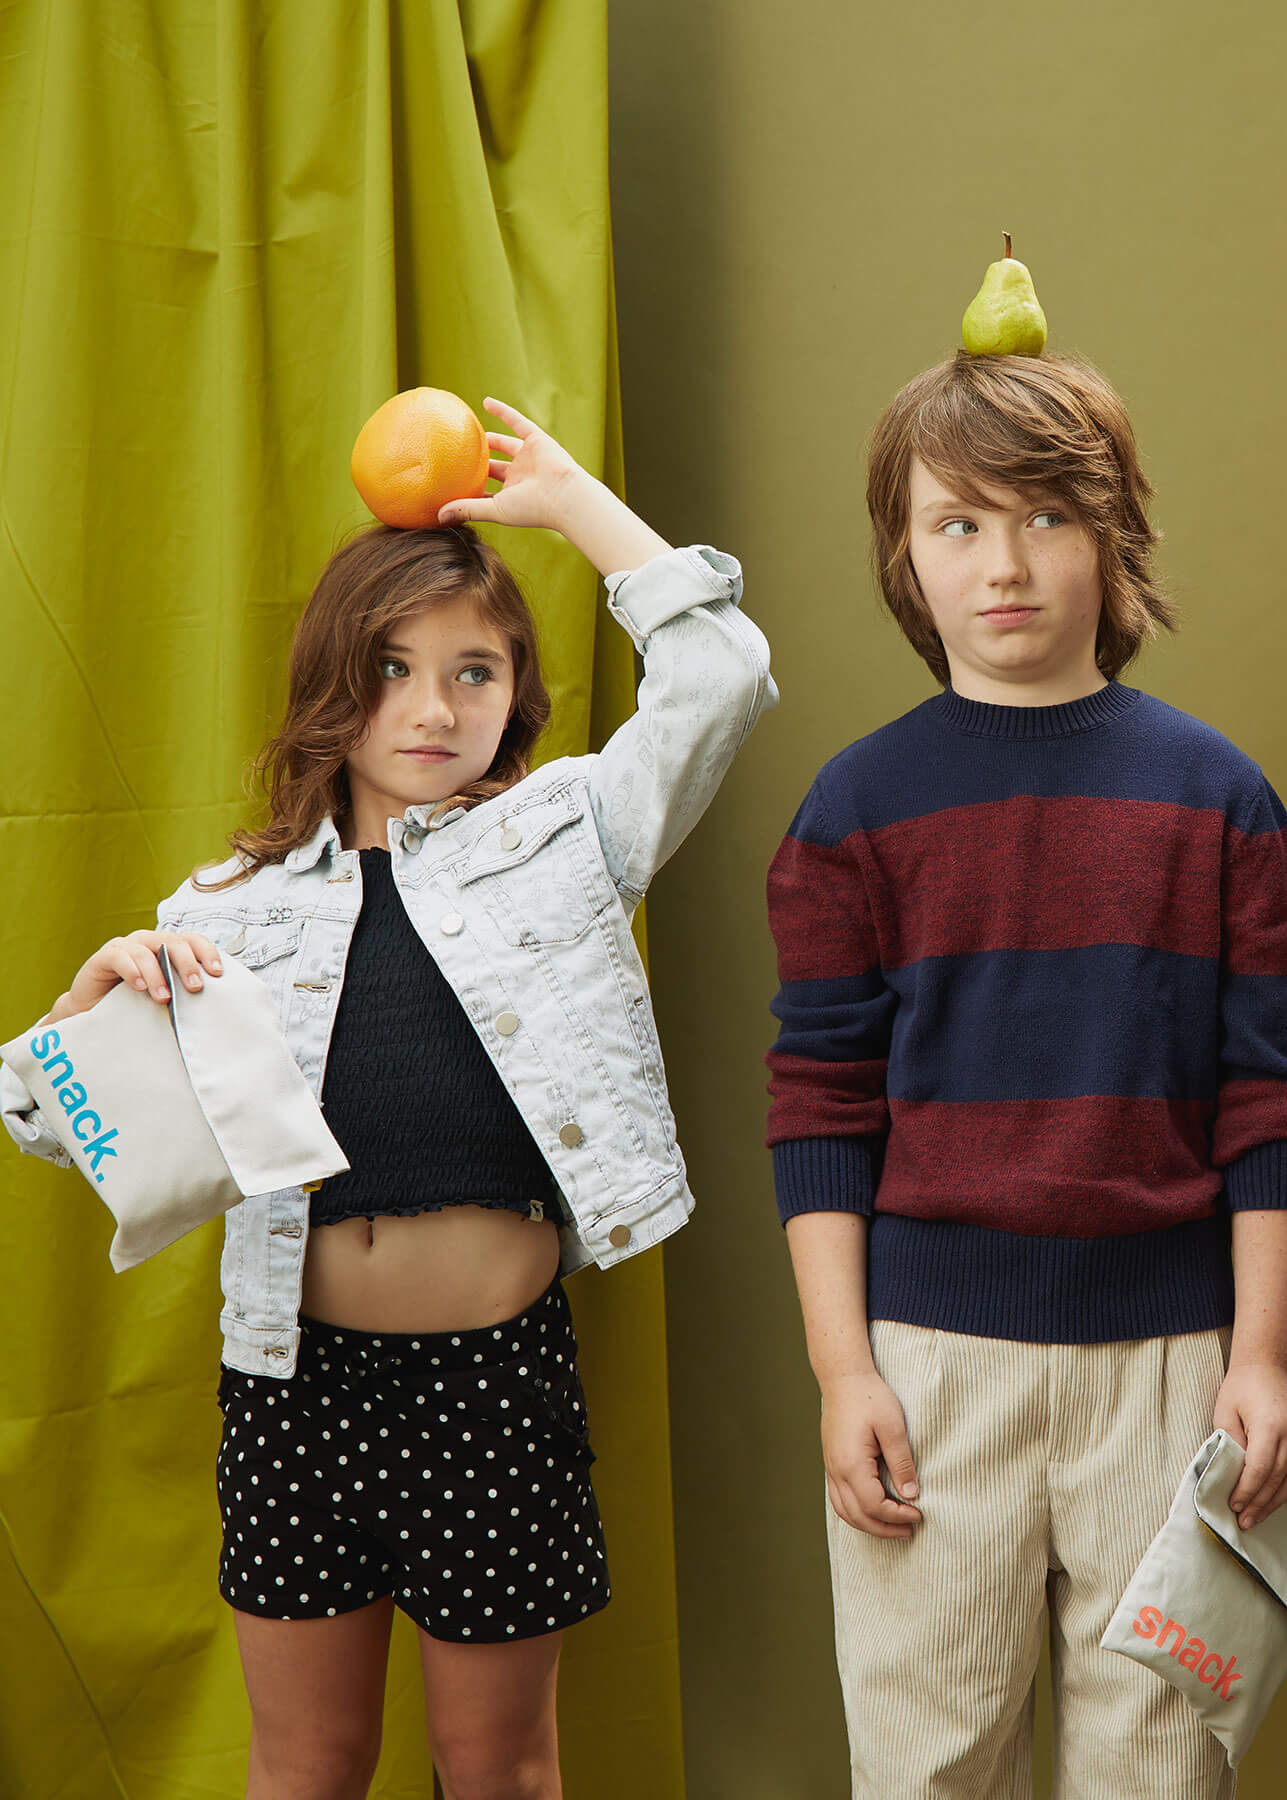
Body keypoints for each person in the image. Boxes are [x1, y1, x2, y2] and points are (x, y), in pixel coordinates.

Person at [3, 397, 776, 1800]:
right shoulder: (219, 911)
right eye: (393, 669)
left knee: (501, 1769)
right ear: (329, 686)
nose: (433, 708)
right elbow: (62, 1132)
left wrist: (574, 505)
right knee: (306, 1768)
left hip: (495, 1381)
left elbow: (719, 674)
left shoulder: (564, 840)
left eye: (474, 673)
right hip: (295, 1390)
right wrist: (90, 1002)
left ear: (517, 695)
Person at [764, 349, 1287, 1797]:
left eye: (1045, 520)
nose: (1003, 565)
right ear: (905, 555)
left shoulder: (1219, 802)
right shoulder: (854, 810)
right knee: (930, 1765)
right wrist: (844, 1372)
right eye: (958, 524)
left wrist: (1259, 1355)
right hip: (929, 1369)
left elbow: (1271, 1099)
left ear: (1111, 537)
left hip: (1172, 1371)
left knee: (1157, 1771)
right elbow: (819, 1106)